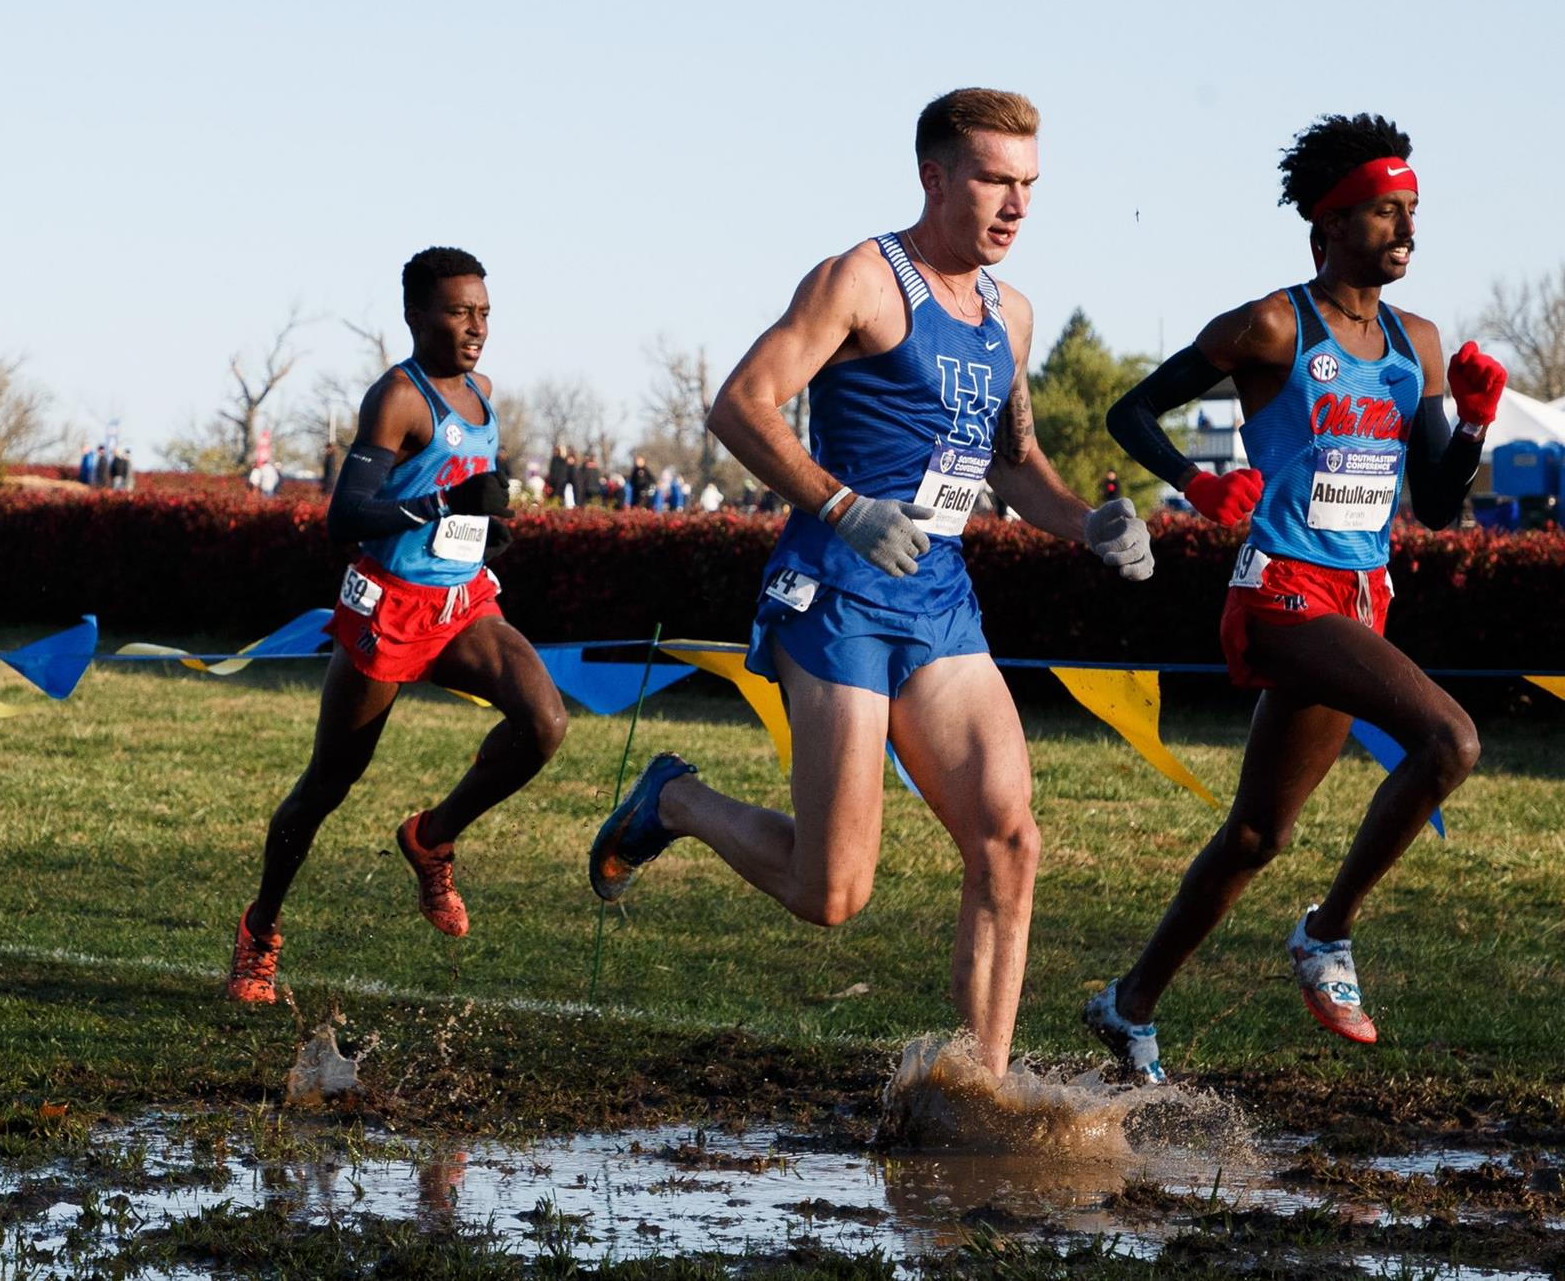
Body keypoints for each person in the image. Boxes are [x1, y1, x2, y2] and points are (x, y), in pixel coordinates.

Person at [588, 89, 1153, 1078]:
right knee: (832, 893)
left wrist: (1086, 523)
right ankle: (673, 800)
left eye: (1028, 185)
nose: (1014, 205)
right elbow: (741, 405)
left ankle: (974, 1086)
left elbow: (1012, 464)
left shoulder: (1008, 315)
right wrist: (846, 506)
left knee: (1007, 841)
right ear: (935, 177)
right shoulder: (860, 279)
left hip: (935, 599)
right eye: (993, 180)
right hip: (835, 593)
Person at [1087, 114, 1504, 1082]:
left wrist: (1474, 422)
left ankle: (1126, 1004)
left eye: (1409, 212)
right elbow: (1127, 411)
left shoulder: (1419, 344)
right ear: (1324, 229)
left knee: (1254, 834)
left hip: (1358, 602)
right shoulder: (1273, 326)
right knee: (1451, 742)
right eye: (1380, 213)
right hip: (1278, 590)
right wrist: (1197, 486)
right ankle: (1325, 934)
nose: (1402, 230)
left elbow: (1437, 509)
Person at [227, 247, 569, 1005]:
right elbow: (346, 516)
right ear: (416, 315)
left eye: (484, 312)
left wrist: (491, 526)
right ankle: (260, 933)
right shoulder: (397, 398)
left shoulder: (483, 393)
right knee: (327, 785)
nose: (476, 327)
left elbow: (468, 498)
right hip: (390, 607)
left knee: (544, 722)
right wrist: (449, 507)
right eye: (458, 312)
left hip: (463, 602)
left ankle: (431, 837)